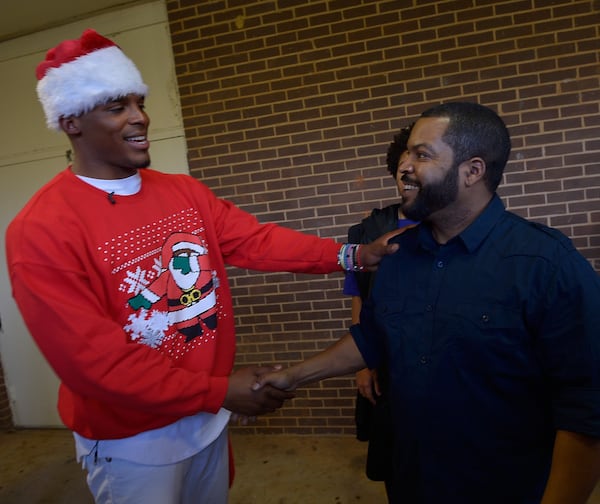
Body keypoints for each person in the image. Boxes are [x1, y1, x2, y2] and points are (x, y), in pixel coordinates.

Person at [4, 29, 399, 504]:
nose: (140, 117)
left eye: (140, 102)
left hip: (205, 420)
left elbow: (256, 241)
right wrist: (218, 391)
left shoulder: (182, 192)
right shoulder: (41, 229)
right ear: (71, 121)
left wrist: (353, 255)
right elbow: (96, 365)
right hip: (133, 441)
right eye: (117, 107)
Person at [254, 102, 600, 504]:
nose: (404, 166)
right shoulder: (397, 255)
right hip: (412, 479)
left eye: (421, 154)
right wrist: (293, 376)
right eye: (406, 154)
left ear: (473, 171)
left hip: (503, 487)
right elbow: (374, 337)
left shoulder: (546, 264)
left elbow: (586, 408)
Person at [344, 125, 417, 496]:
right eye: (402, 166)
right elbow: (360, 297)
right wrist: (363, 364)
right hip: (388, 366)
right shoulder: (369, 231)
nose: (409, 171)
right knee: (396, 465)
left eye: (420, 160)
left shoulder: (452, 228)